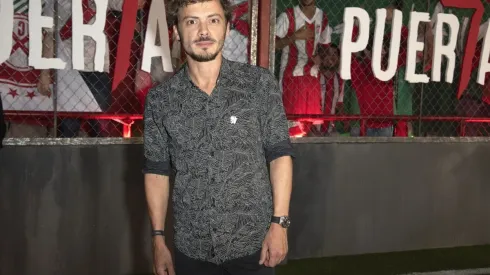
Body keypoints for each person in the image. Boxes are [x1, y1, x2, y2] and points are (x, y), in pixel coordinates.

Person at [142, 1, 294, 275]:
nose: (203, 31)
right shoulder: (160, 100)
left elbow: (279, 154)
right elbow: (156, 172)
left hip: (254, 246)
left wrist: (279, 223)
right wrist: (158, 239)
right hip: (192, 249)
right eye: (191, 21)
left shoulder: (258, 84)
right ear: (176, 31)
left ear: (226, 27)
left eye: (212, 20)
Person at [275, 0, 332, 136]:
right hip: (292, 76)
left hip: (312, 77)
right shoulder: (288, 15)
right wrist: (294, 36)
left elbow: (326, 45)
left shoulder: (322, 17)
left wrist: (321, 56)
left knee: (308, 128)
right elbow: (273, 44)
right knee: (292, 129)